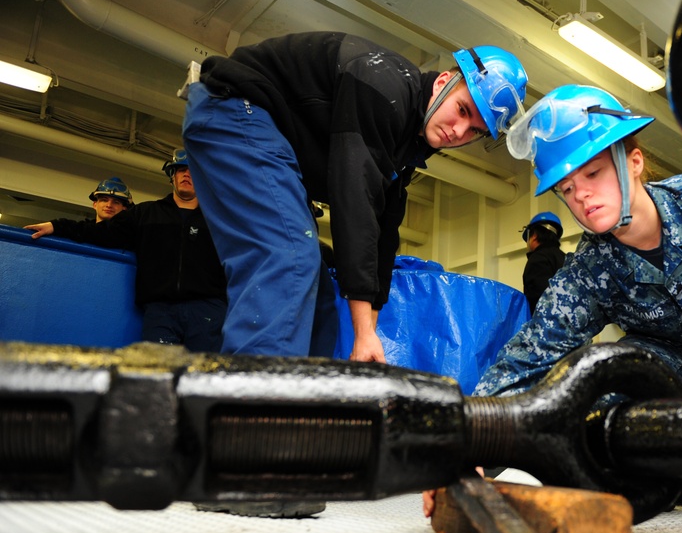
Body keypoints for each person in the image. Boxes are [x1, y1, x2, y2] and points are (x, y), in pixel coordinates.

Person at [423, 84, 682, 518]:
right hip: (680, 376)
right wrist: (468, 442)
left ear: (633, 162)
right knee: (606, 375)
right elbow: (528, 357)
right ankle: (669, 477)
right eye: (566, 187)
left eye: (592, 173)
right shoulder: (588, 271)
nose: (580, 195)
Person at [181, 32, 528, 363]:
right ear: (443, 83)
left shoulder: (411, 139)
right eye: (463, 110)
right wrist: (363, 332)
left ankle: (299, 409)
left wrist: (369, 336)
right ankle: (247, 410)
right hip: (234, 108)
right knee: (288, 259)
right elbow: (355, 202)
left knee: (316, 296)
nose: (459, 132)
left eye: (475, 131)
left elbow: (384, 230)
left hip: (266, 131)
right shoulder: (387, 87)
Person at [25, 149, 228, 354]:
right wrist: (57, 226)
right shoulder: (145, 214)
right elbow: (100, 232)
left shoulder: (220, 221)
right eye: (181, 170)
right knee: (158, 377)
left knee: (206, 379)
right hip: (160, 311)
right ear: (171, 177)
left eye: (193, 171)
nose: (187, 174)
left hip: (208, 311)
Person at [520, 211, 566, 314]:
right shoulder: (566, 258)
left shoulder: (537, 258)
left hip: (549, 325)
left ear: (535, 235)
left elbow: (539, 299)